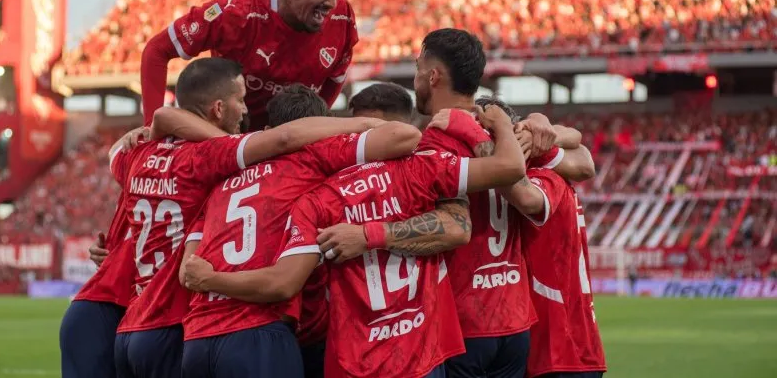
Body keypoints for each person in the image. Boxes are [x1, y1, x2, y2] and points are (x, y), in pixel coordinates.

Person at [182, 104, 527, 378]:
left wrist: (208, 280)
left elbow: (169, 118)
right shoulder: (420, 168)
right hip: (421, 353)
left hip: (348, 357)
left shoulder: (316, 200)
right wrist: (498, 122)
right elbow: (469, 215)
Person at [178, 84, 421, 378]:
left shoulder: (223, 180)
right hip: (259, 333)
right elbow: (404, 136)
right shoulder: (312, 157)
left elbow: (188, 273)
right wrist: (359, 125)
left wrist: (208, 280)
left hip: (195, 341)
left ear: (267, 129)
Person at [411, 28, 594, 378]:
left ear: (433, 76)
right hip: (514, 321)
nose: (416, 77)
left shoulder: (435, 142)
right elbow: (584, 161)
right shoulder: (507, 134)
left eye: (419, 68)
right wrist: (545, 126)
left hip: (463, 321)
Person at [140, 0, 358, 131]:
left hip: (288, 141)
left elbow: (335, 79)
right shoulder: (236, 13)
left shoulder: (342, 15)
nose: (331, 2)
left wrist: (311, 124)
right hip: (227, 142)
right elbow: (156, 50)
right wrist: (151, 128)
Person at [485, 99, 606, 377]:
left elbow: (529, 198)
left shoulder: (544, 176)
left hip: (561, 349)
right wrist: (547, 128)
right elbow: (582, 153)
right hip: (558, 344)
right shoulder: (547, 165)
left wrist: (493, 153)